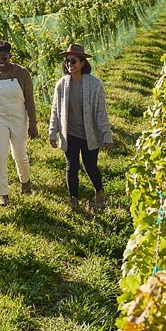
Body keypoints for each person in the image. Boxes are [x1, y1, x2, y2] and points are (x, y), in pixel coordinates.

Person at [47, 42, 113, 213]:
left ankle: (99, 191)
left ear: (83, 63)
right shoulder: (61, 84)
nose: (70, 64)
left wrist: (106, 134)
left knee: (90, 166)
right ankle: (73, 198)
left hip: (89, 134)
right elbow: (55, 109)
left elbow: (100, 111)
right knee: (71, 165)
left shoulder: (94, 84)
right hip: (70, 134)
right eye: (67, 61)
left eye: (73, 61)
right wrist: (52, 131)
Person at [0, 39, 38, 207]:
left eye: (4, 58)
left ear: (10, 56)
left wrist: (32, 124)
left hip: (18, 118)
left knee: (19, 155)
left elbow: (29, 101)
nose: (1, 62)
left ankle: (25, 182)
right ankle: (2, 194)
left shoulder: (22, 73)